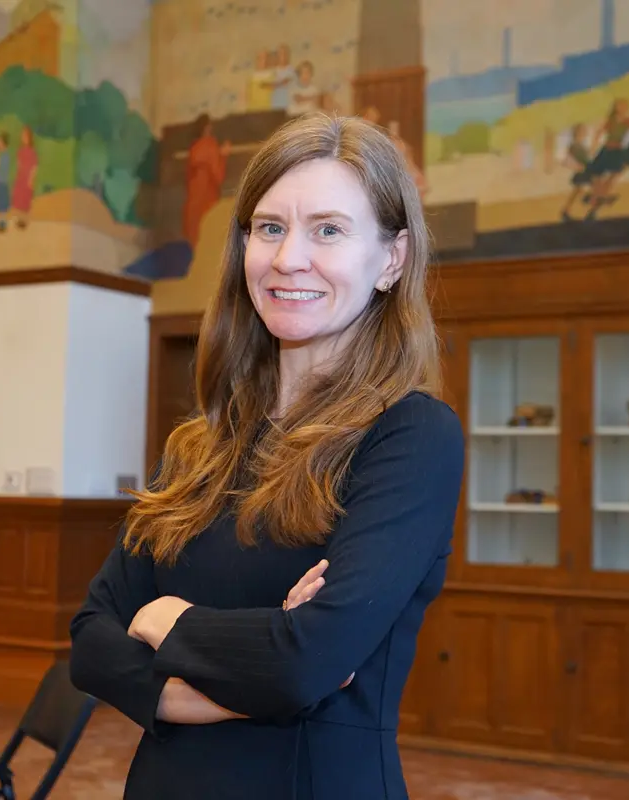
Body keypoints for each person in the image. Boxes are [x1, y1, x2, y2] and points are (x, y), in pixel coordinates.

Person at [69, 112, 465, 800]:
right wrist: (227, 679)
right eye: (270, 227)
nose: (288, 259)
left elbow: (307, 664)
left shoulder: (410, 438)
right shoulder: (202, 442)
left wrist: (165, 621)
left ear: (392, 259)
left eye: (329, 230)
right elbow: (90, 642)